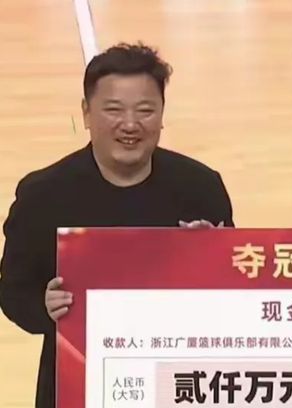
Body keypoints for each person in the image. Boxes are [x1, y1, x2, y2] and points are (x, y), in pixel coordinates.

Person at [0, 42, 234, 408]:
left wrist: (217, 257)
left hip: (176, 383)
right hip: (78, 385)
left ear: (161, 113)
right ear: (86, 113)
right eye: (113, 109)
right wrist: (44, 307)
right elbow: (13, 292)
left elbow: (234, 295)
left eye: (145, 110)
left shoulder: (200, 187)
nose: (130, 124)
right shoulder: (43, 195)